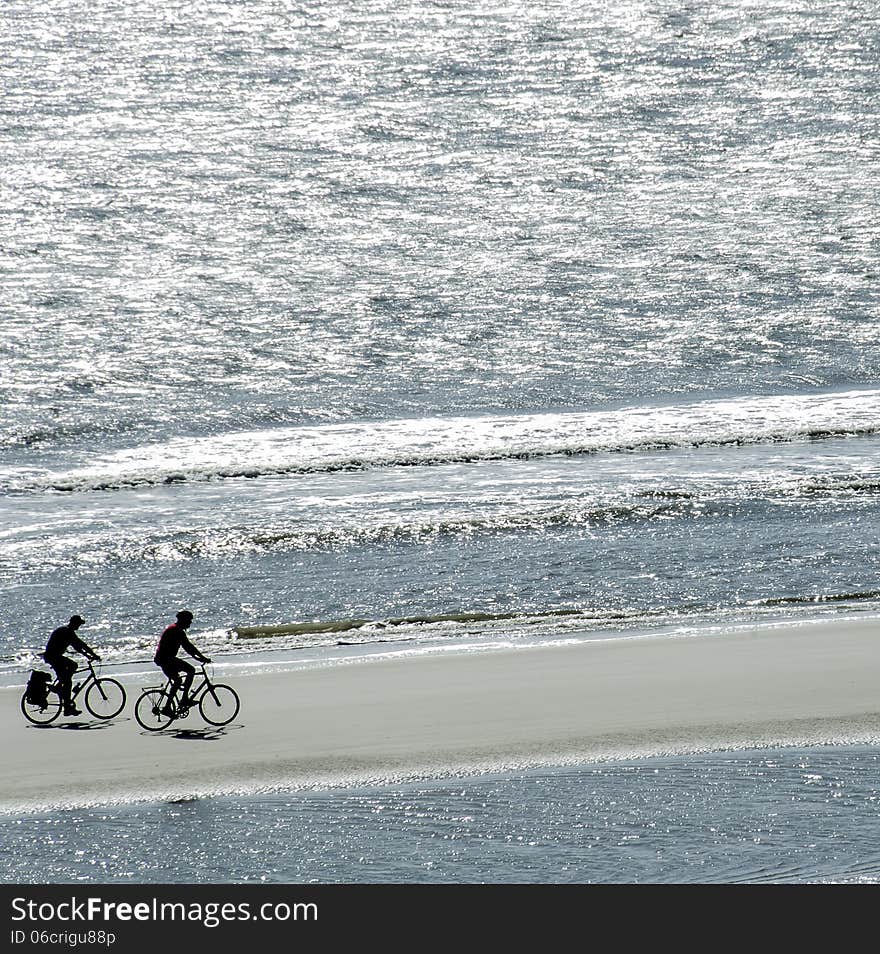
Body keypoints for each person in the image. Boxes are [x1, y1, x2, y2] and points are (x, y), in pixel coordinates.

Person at [154, 610, 211, 716]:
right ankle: (183, 699)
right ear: (183, 620)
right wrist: (202, 658)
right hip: (165, 659)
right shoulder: (176, 631)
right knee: (191, 670)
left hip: (164, 659)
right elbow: (189, 647)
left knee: (178, 681)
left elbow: (188, 648)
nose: (190, 623)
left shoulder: (175, 629)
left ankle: (169, 706)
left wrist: (199, 658)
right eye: (189, 620)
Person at [42, 614, 101, 716]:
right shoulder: (67, 632)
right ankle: (67, 707)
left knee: (73, 666)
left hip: (55, 656)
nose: (79, 627)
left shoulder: (68, 631)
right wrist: (93, 655)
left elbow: (78, 647)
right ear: (74, 623)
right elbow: (81, 644)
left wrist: (88, 656)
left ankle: (59, 686)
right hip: (53, 657)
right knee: (68, 682)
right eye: (78, 624)